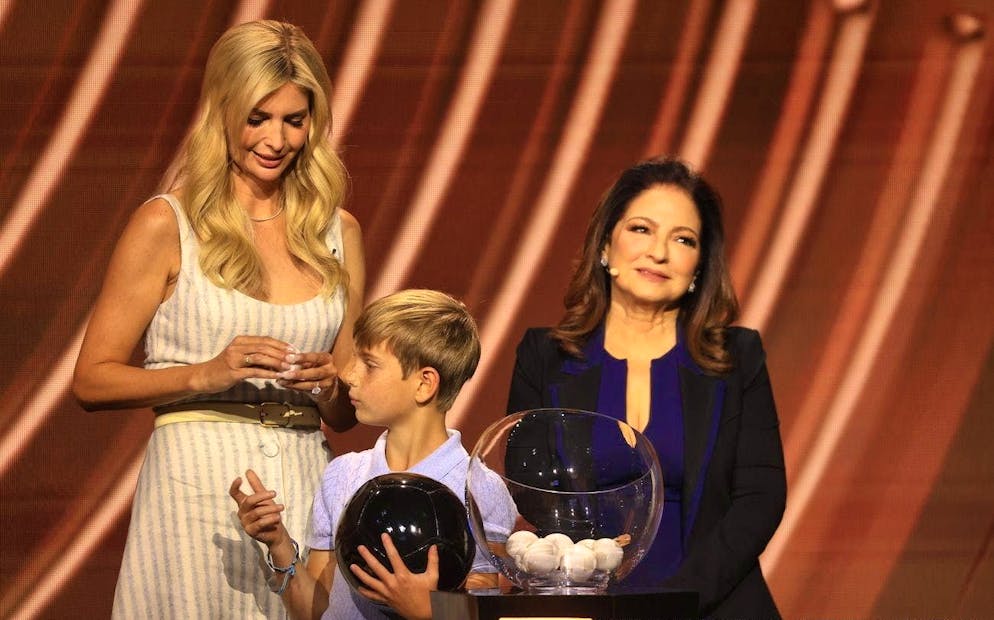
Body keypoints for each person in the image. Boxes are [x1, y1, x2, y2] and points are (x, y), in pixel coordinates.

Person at [71, 20, 365, 618]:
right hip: (195, 489)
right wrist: (203, 373)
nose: (277, 139)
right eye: (258, 117)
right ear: (223, 111)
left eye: (295, 119)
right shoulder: (167, 224)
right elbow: (92, 379)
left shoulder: (339, 233)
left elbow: (345, 411)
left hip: (307, 480)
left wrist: (333, 386)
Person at [506, 158, 786, 617]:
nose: (659, 252)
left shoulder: (739, 357)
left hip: (712, 603)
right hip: (585, 600)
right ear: (605, 245)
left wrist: (677, 602)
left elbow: (761, 497)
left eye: (683, 239)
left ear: (698, 266)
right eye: (641, 229)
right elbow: (529, 484)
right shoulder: (545, 356)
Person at [230, 289, 517, 620]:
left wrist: (425, 611)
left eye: (368, 364)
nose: (348, 375)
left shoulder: (479, 489)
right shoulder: (343, 475)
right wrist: (278, 544)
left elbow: (479, 610)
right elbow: (316, 613)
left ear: (425, 383)